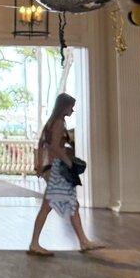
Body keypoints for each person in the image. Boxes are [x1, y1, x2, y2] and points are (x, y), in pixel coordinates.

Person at [28, 92, 105, 256]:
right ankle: (35, 243)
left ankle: (83, 241)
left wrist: (40, 165)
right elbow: (55, 147)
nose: (72, 110)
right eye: (71, 107)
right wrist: (69, 163)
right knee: (50, 206)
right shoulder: (58, 123)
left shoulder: (51, 122)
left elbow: (43, 144)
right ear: (64, 107)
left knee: (71, 205)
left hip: (52, 168)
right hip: (58, 169)